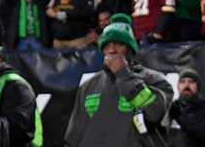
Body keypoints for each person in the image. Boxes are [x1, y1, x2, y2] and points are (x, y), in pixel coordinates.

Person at [64, 14, 173, 147]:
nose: (112, 50)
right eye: (106, 46)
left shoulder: (155, 80)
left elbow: (154, 113)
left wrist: (123, 74)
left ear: (130, 49)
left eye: (119, 44)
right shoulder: (89, 85)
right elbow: (74, 135)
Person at [170, 68, 205, 147]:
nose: (186, 85)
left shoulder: (202, 108)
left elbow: (201, 133)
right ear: (178, 86)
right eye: (183, 82)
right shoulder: (171, 107)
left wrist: (179, 116)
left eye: (191, 82)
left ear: (198, 86)